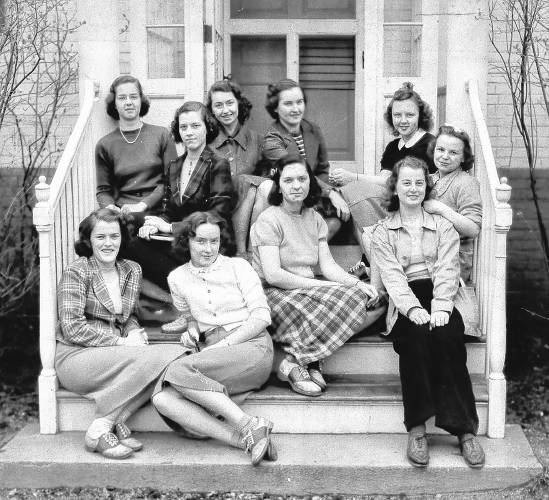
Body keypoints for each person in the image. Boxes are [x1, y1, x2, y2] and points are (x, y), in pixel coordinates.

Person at [371, 156, 485, 469]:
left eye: (419, 182)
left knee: (448, 337)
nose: (413, 188)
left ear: (427, 186)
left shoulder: (443, 225)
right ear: (395, 187)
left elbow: (450, 268)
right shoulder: (383, 232)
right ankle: (418, 428)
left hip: (443, 292)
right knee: (414, 338)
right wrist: (412, 308)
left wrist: (441, 307)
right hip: (406, 295)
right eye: (406, 182)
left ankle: (463, 430)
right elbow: (392, 278)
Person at [55, 208, 187, 459]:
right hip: (77, 357)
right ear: (88, 240)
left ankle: (116, 420)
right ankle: (99, 430)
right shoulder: (77, 272)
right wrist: (121, 341)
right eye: (100, 237)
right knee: (170, 356)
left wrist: (135, 332)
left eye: (114, 236)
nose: (108, 243)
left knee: (172, 360)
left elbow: (126, 317)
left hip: (114, 352)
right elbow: (72, 327)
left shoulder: (131, 270)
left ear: (122, 239)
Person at [250, 155, 385, 397]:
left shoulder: (315, 218)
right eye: (288, 180)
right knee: (316, 304)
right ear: (278, 185)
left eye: (302, 179)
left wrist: (356, 284)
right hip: (273, 293)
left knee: (375, 300)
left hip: (305, 289)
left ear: (310, 183)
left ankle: (303, 357)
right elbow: (273, 275)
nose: (296, 185)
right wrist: (319, 287)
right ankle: (303, 362)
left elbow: (329, 267)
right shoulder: (268, 219)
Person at [151, 212, 276, 466]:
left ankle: (248, 424)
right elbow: (191, 319)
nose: (208, 249)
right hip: (213, 354)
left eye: (214, 241)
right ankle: (245, 438)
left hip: (251, 345)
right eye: (200, 241)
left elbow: (262, 317)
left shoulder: (239, 266)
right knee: (162, 398)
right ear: (187, 240)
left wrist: (222, 345)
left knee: (177, 370)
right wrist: (193, 332)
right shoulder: (176, 278)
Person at [124, 101, 236, 293]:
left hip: (209, 241)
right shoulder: (175, 165)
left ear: (207, 128)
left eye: (195, 126)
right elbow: (169, 210)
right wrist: (155, 224)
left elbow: (217, 214)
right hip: (180, 240)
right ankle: (185, 287)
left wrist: (170, 227)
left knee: (135, 246)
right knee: (131, 237)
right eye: (183, 127)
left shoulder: (218, 164)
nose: (189, 132)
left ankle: (189, 288)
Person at [330, 82, 437, 270]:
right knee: (351, 193)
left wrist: (353, 177)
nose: (402, 120)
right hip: (393, 202)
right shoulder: (393, 146)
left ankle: (376, 264)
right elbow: (384, 181)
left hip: (414, 208)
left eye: (409, 115)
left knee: (353, 191)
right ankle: (371, 260)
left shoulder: (429, 144)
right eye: (397, 115)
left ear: (421, 116)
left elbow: (391, 182)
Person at [258, 79, 351, 241]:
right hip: (287, 197)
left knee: (338, 219)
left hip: (312, 194)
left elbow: (322, 169)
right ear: (275, 108)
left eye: (299, 102)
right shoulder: (272, 139)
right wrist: (330, 193)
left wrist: (323, 196)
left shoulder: (312, 129)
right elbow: (295, 171)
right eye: (288, 104)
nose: (296, 109)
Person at [96, 75, 177, 215]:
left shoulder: (162, 135)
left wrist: (143, 204)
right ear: (114, 103)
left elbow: (172, 179)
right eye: (122, 98)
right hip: (123, 213)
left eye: (133, 97)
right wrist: (110, 208)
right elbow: (103, 191)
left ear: (141, 100)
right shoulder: (105, 144)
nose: (128, 102)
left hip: (158, 210)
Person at [206, 79, 265, 258]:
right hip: (219, 219)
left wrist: (248, 182)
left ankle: (251, 254)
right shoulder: (205, 143)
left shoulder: (257, 140)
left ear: (239, 103)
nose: (225, 110)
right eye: (218, 105)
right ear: (211, 110)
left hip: (253, 223)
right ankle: (242, 253)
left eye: (230, 103)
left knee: (257, 186)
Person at [424, 125, 482, 281]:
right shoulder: (430, 178)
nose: (445, 156)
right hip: (427, 251)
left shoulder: (466, 182)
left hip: (451, 260)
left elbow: (473, 229)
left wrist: (440, 208)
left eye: (453, 152)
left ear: (463, 157)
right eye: (440, 149)